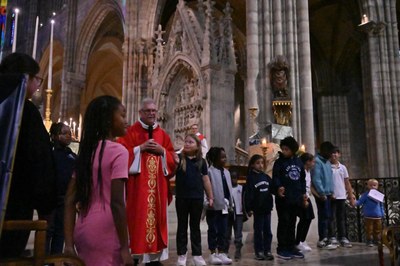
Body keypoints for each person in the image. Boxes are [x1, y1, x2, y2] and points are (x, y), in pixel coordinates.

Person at [64, 95, 133, 265]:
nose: (126, 120)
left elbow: (69, 200)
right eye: (122, 115)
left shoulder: (88, 152)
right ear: (109, 120)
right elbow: (117, 202)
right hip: (107, 231)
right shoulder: (119, 151)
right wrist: (125, 247)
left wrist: (68, 244)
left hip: (83, 229)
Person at [0, 53, 56, 258]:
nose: (38, 86)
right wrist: (46, 206)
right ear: (25, 78)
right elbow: (39, 161)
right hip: (14, 206)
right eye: (37, 80)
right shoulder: (26, 110)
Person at [117, 98, 177, 265]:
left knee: (156, 223)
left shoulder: (163, 135)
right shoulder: (130, 132)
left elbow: (172, 159)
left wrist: (163, 152)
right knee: (137, 221)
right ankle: (135, 256)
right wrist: (139, 149)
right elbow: (121, 155)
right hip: (137, 190)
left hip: (158, 189)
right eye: (147, 111)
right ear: (140, 113)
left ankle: (153, 259)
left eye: (153, 111)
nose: (151, 113)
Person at [175, 134, 213, 266]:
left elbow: (205, 179)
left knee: (195, 227)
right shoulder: (179, 158)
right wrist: (179, 151)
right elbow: (170, 160)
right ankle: (182, 255)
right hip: (182, 197)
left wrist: (210, 196)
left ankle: (197, 255)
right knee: (182, 226)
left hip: (197, 198)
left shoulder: (201, 161)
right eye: (186, 142)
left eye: (191, 142)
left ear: (197, 146)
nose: (187, 144)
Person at [272, 136, 306, 260]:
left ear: (293, 149)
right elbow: (275, 177)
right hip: (283, 199)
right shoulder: (279, 162)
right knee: (284, 222)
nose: (284, 151)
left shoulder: (298, 162)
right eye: (283, 149)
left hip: (295, 198)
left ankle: (291, 247)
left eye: (287, 149)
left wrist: (303, 194)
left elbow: (302, 179)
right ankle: (282, 248)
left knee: (292, 222)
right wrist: (278, 187)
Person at [46, 122, 77, 254]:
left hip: (66, 199)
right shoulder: (49, 154)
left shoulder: (72, 155)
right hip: (51, 198)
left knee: (61, 231)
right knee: (48, 231)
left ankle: (55, 259)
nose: (68, 136)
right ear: (54, 136)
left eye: (69, 133)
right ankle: (43, 260)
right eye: (64, 133)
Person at [206, 147, 233, 265]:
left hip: (224, 207)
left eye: (225, 156)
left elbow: (228, 188)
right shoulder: (209, 171)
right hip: (213, 206)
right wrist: (207, 201)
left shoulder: (226, 172)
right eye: (222, 157)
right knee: (213, 230)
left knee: (223, 230)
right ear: (214, 158)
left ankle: (221, 252)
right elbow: (206, 188)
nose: (224, 159)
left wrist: (230, 202)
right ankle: (213, 253)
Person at [243, 154, 274, 261]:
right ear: (252, 165)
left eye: (262, 163)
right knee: (258, 231)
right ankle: (259, 251)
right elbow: (249, 194)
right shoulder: (251, 178)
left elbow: (272, 189)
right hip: (258, 209)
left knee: (268, 231)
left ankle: (267, 250)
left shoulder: (266, 177)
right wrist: (249, 208)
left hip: (267, 208)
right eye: (258, 163)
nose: (260, 165)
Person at [311, 141, 337, 250]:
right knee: (323, 217)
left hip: (329, 194)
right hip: (322, 195)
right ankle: (323, 239)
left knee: (329, 216)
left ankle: (329, 237)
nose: (332, 154)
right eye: (330, 152)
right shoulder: (317, 162)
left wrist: (332, 191)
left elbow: (330, 178)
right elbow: (317, 179)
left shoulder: (327, 162)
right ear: (325, 151)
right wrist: (321, 193)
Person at [328, 147, 354, 248]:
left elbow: (347, 182)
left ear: (339, 154)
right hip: (331, 196)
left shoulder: (343, 167)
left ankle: (342, 237)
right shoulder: (328, 167)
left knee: (341, 218)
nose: (334, 155)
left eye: (335, 153)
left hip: (341, 195)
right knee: (331, 217)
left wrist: (351, 196)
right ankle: (332, 237)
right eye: (332, 153)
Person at [353, 179, 384, 247]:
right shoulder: (365, 195)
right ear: (367, 186)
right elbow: (360, 202)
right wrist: (354, 202)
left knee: (378, 229)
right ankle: (369, 240)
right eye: (370, 185)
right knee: (369, 229)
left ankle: (377, 240)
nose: (372, 187)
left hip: (377, 215)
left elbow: (381, 205)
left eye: (374, 185)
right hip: (369, 216)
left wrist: (382, 213)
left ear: (377, 186)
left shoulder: (378, 195)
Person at [295, 153, 316, 252]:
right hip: (301, 197)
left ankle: (302, 240)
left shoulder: (308, 171)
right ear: (307, 162)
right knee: (304, 219)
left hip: (306, 196)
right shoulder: (301, 171)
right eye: (312, 161)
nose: (313, 163)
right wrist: (303, 199)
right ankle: (298, 241)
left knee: (308, 218)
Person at [225, 170, 244, 261]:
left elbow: (244, 200)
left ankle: (238, 251)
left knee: (238, 233)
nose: (233, 180)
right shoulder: (227, 188)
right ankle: (225, 251)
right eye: (231, 178)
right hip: (229, 214)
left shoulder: (241, 188)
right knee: (227, 234)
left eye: (235, 178)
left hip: (239, 214)